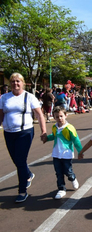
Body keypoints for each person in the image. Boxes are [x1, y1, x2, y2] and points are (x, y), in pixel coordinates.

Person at [0, 72, 47, 202]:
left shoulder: (30, 97)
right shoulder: (4, 98)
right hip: (9, 133)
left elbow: (39, 115)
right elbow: (1, 115)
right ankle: (28, 174)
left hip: (25, 132)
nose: (15, 83)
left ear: (23, 83)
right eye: (13, 81)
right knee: (16, 160)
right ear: (10, 84)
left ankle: (22, 191)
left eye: (18, 81)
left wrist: (43, 131)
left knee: (20, 160)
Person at [43, 106, 82, 199]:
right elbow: (54, 136)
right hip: (56, 154)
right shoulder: (54, 127)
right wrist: (47, 138)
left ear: (66, 115)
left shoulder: (69, 128)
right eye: (57, 117)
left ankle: (73, 178)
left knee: (68, 171)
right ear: (54, 117)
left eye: (61, 116)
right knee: (58, 173)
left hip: (66, 154)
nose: (59, 119)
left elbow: (76, 140)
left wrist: (80, 151)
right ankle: (61, 189)